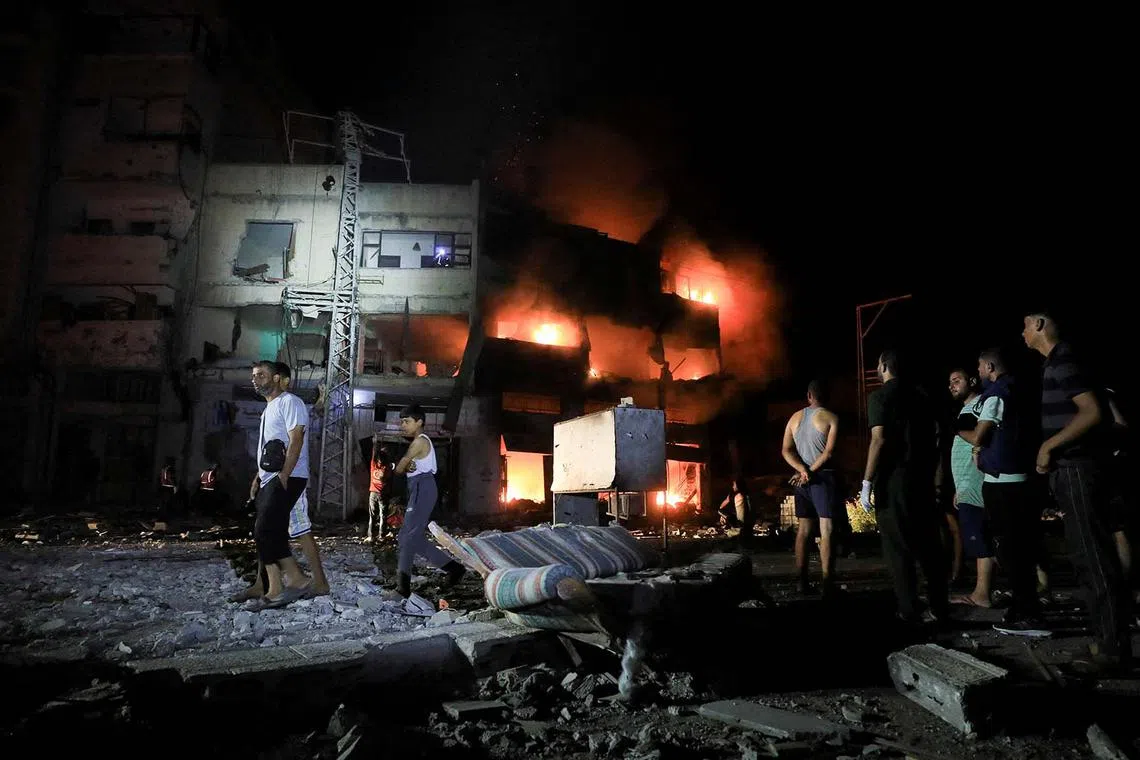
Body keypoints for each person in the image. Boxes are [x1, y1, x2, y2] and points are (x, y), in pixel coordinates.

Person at [1023, 309, 1132, 670]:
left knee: (1092, 559)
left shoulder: (1063, 362)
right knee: (1094, 557)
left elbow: (1092, 412)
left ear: (1040, 325)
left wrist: (1048, 446)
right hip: (1080, 468)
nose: (1022, 333)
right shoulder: (1063, 362)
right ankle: (1109, 641)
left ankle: (1111, 650)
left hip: (1076, 470)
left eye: (1025, 325)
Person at [960, 348, 1049, 637]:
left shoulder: (997, 395)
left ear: (989, 367)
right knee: (1018, 549)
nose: (978, 372)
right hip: (1019, 480)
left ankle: (1029, 616)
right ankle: (1023, 607)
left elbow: (980, 434)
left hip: (1004, 485)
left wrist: (958, 430)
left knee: (1011, 552)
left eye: (979, 366)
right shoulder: (1020, 391)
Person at [861, 350, 949, 628]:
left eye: (878, 364)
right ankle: (939, 606)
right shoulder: (923, 395)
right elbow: (937, 437)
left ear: (885, 366)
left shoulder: (879, 397)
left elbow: (879, 439)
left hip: (894, 481)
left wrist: (866, 481)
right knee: (929, 546)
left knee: (898, 548)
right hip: (922, 479)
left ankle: (909, 610)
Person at [235, 361, 329, 609]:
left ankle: (292, 584)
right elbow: (269, 448)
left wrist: (285, 475)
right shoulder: (270, 408)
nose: (255, 380)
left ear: (277, 378)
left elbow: (296, 439)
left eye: (261, 375)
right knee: (267, 529)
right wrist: (258, 477)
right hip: (271, 477)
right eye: (253, 375)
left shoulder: (290, 402)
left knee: (273, 529)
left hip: (289, 477)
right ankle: (268, 584)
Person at [388, 404, 467, 616]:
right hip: (419, 487)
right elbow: (404, 468)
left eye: (407, 421)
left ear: (419, 422)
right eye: (401, 421)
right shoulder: (419, 443)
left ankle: (402, 589)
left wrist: (400, 465)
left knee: (407, 537)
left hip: (422, 487)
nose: (403, 425)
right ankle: (454, 569)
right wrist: (404, 466)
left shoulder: (419, 442)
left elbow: (399, 469)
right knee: (412, 538)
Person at [781, 380, 843, 594]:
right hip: (823, 478)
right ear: (828, 396)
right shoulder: (832, 418)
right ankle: (827, 584)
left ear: (809, 395)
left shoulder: (794, 418)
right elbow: (829, 453)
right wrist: (810, 471)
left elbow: (786, 450)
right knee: (827, 530)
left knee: (804, 530)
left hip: (801, 480)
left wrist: (801, 470)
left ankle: (802, 582)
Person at [946, 369, 996, 608]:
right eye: (950, 382)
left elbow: (980, 439)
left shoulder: (979, 406)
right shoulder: (967, 409)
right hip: (966, 484)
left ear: (973, 381)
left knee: (980, 538)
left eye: (957, 381)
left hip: (975, 483)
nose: (952, 386)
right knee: (979, 537)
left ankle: (982, 594)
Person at [367, 437, 395, 543]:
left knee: (372, 515)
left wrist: (375, 442)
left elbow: (374, 453)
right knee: (383, 515)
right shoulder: (387, 468)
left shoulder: (373, 465)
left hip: (373, 493)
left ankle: (371, 536)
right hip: (383, 494)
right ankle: (381, 536)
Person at [717, 478, 754, 548]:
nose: (733, 487)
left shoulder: (737, 495)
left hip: (740, 524)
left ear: (738, 486)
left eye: (734, 485)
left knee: (720, 511)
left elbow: (722, 507)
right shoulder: (748, 495)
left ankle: (729, 530)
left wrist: (722, 515)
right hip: (749, 525)